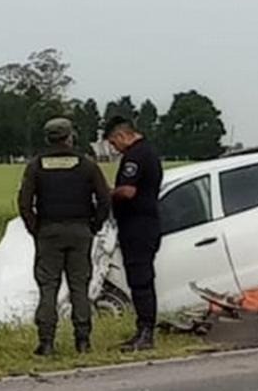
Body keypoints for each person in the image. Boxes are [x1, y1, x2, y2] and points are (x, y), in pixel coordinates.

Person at [18, 118, 111, 356]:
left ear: (48, 138)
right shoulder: (87, 165)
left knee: (48, 287)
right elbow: (103, 199)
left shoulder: (36, 166)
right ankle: (82, 341)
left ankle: (46, 342)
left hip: (48, 231)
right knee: (79, 287)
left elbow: (25, 203)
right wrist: (94, 225)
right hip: (80, 230)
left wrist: (35, 229)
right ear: (70, 137)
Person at [104, 115, 163, 352]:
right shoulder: (148, 151)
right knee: (140, 280)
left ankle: (146, 333)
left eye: (113, 142)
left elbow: (128, 191)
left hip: (138, 226)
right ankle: (142, 330)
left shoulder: (136, 156)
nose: (113, 148)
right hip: (144, 224)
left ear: (121, 135)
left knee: (141, 281)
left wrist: (108, 193)